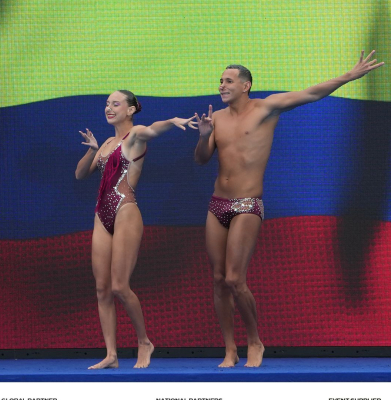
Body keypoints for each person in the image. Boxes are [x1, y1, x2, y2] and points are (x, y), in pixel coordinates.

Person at [194, 50, 384, 368]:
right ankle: (229, 349)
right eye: (220, 81)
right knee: (218, 279)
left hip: (247, 204)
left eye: (228, 81)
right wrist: (203, 137)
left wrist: (349, 76)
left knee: (235, 279)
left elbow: (311, 93)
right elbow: (201, 159)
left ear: (245, 85)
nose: (221, 85)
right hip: (218, 204)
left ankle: (254, 341)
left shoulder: (266, 108)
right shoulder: (216, 119)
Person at [75, 90, 196, 369]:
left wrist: (172, 121)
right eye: (107, 104)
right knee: (102, 288)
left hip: (125, 211)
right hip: (101, 214)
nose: (109, 108)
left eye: (115, 104)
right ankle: (111, 354)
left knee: (119, 286)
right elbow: (80, 174)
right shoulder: (107, 143)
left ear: (130, 110)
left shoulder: (135, 135)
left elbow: (152, 129)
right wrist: (92, 150)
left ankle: (144, 341)